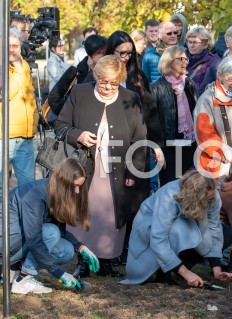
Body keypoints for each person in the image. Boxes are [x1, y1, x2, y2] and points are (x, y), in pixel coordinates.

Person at [55, 55, 147, 277]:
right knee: (84, 210)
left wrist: (133, 170)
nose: (107, 87)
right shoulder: (80, 93)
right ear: (95, 76)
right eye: (103, 81)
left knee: (110, 214)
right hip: (84, 166)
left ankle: (107, 260)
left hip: (116, 167)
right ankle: (84, 259)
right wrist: (79, 135)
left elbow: (140, 139)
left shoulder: (130, 98)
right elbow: (60, 124)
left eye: (113, 83)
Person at [120, 170, 232, 286]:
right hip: (149, 231)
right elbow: (158, 238)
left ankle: (176, 268)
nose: (210, 203)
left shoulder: (212, 195)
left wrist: (217, 270)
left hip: (182, 227)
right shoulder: (169, 197)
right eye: (207, 200)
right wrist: (186, 273)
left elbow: (214, 228)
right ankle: (165, 272)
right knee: (180, 229)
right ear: (196, 197)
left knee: (226, 232)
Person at [0, 158, 99, 294]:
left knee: (66, 250)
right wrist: (58, 273)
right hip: (4, 247)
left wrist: (80, 247)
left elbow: (60, 229)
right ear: (64, 182)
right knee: (51, 232)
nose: (77, 191)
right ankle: (22, 280)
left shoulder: (55, 192)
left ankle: (13, 270)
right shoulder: (35, 196)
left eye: (80, 187)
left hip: (17, 244)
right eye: (75, 186)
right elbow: (34, 239)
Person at [104, 30, 150, 265]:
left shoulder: (137, 77)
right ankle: (111, 247)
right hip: (111, 146)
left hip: (137, 145)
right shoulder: (104, 76)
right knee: (112, 199)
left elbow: (149, 113)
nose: (124, 56)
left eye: (129, 53)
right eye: (120, 52)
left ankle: (131, 247)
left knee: (136, 200)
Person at [145, 45, 198, 186]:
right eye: (181, 59)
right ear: (169, 61)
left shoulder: (189, 84)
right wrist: (157, 148)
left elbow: (197, 113)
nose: (185, 62)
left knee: (188, 187)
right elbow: (151, 123)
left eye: (186, 59)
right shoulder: (155, 88)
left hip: (189, 144)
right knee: (169, 188)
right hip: (168, 148)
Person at [0, 28, 39, 194]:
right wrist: (18, 68)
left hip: (26, 137)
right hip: (4, 136)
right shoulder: (10, 68)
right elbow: (7, 93)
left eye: (15, 46)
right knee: (2, 187)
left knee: (28, 187)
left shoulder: (23, 65)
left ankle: (24, 219)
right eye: (8, 46)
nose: (11, 50)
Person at [185, 26, 220, 91]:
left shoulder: (214, 61)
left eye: (195, 42)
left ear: (206, 44)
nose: (192, 45)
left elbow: (212, 86)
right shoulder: (181, 57)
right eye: (189, 42)